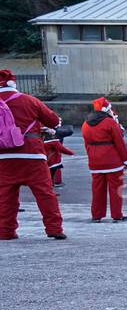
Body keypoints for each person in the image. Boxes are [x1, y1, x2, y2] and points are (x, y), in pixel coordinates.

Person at [0, 70, 66, 240]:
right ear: (13, 83)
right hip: (32, 154)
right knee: (45, 193)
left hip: (3, 157)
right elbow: (53, 121)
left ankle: (5, 231)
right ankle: (54, 228)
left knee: (5, 196)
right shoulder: (29, 100)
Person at [82, 97, 127, 223]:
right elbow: (119, 142)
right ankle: (116, 214)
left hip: (95, 161)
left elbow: (86, 144)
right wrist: (126, 160)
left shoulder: (85, 123)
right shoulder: (110, 122)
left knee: (97, 189)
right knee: (115, 189)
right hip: (112, 160)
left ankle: (96, 215)